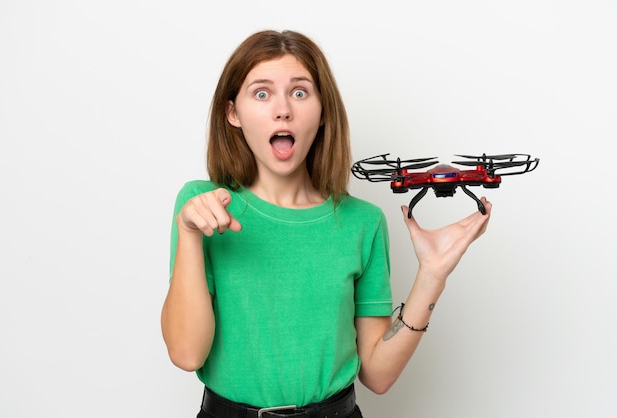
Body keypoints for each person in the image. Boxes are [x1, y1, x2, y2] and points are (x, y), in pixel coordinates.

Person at [161, 29, 492, 418]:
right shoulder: (201, 208)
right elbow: (186, 354)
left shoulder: (362, 222)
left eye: (300, 92)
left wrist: (432, 275)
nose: (282, 109)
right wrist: (187, 233)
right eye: (261, 93)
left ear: (321, 114)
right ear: (233, 112)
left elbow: (378, 375)